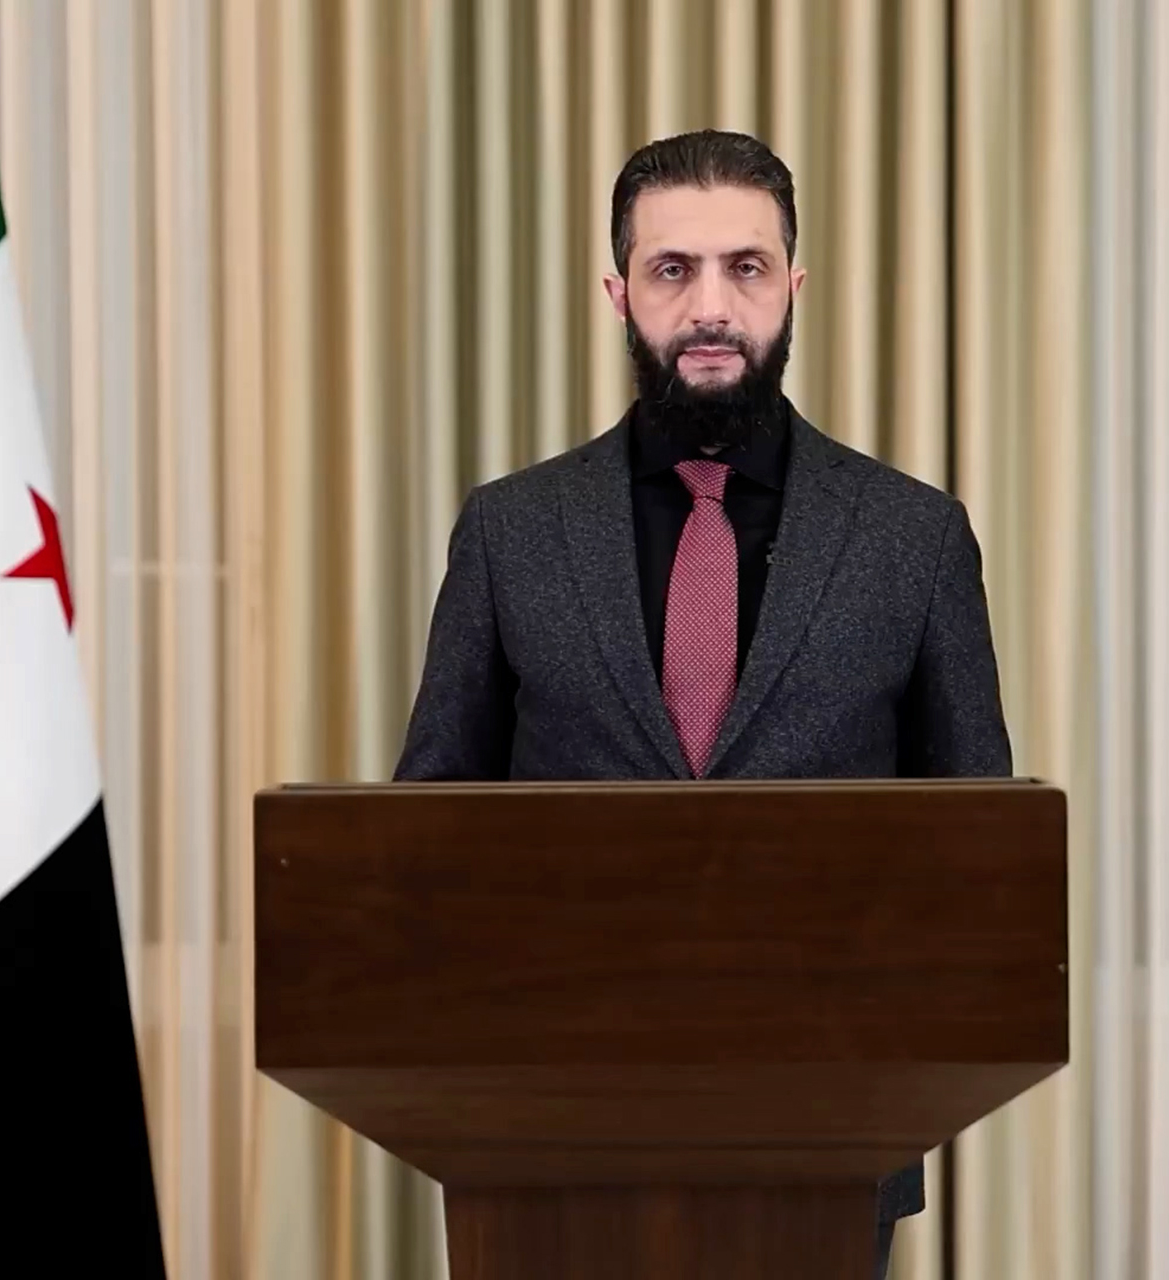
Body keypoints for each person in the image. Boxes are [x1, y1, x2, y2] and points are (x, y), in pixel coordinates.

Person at [394, 128, 1013, 1279]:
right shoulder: (510, 531)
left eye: (747, 266)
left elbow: (979, 855)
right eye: (674, 269)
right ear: (620, 293)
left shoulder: (915, 537)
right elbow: (424, 839)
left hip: (824, 1136)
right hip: (545, 1137)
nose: (712, 305)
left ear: (795, 286)